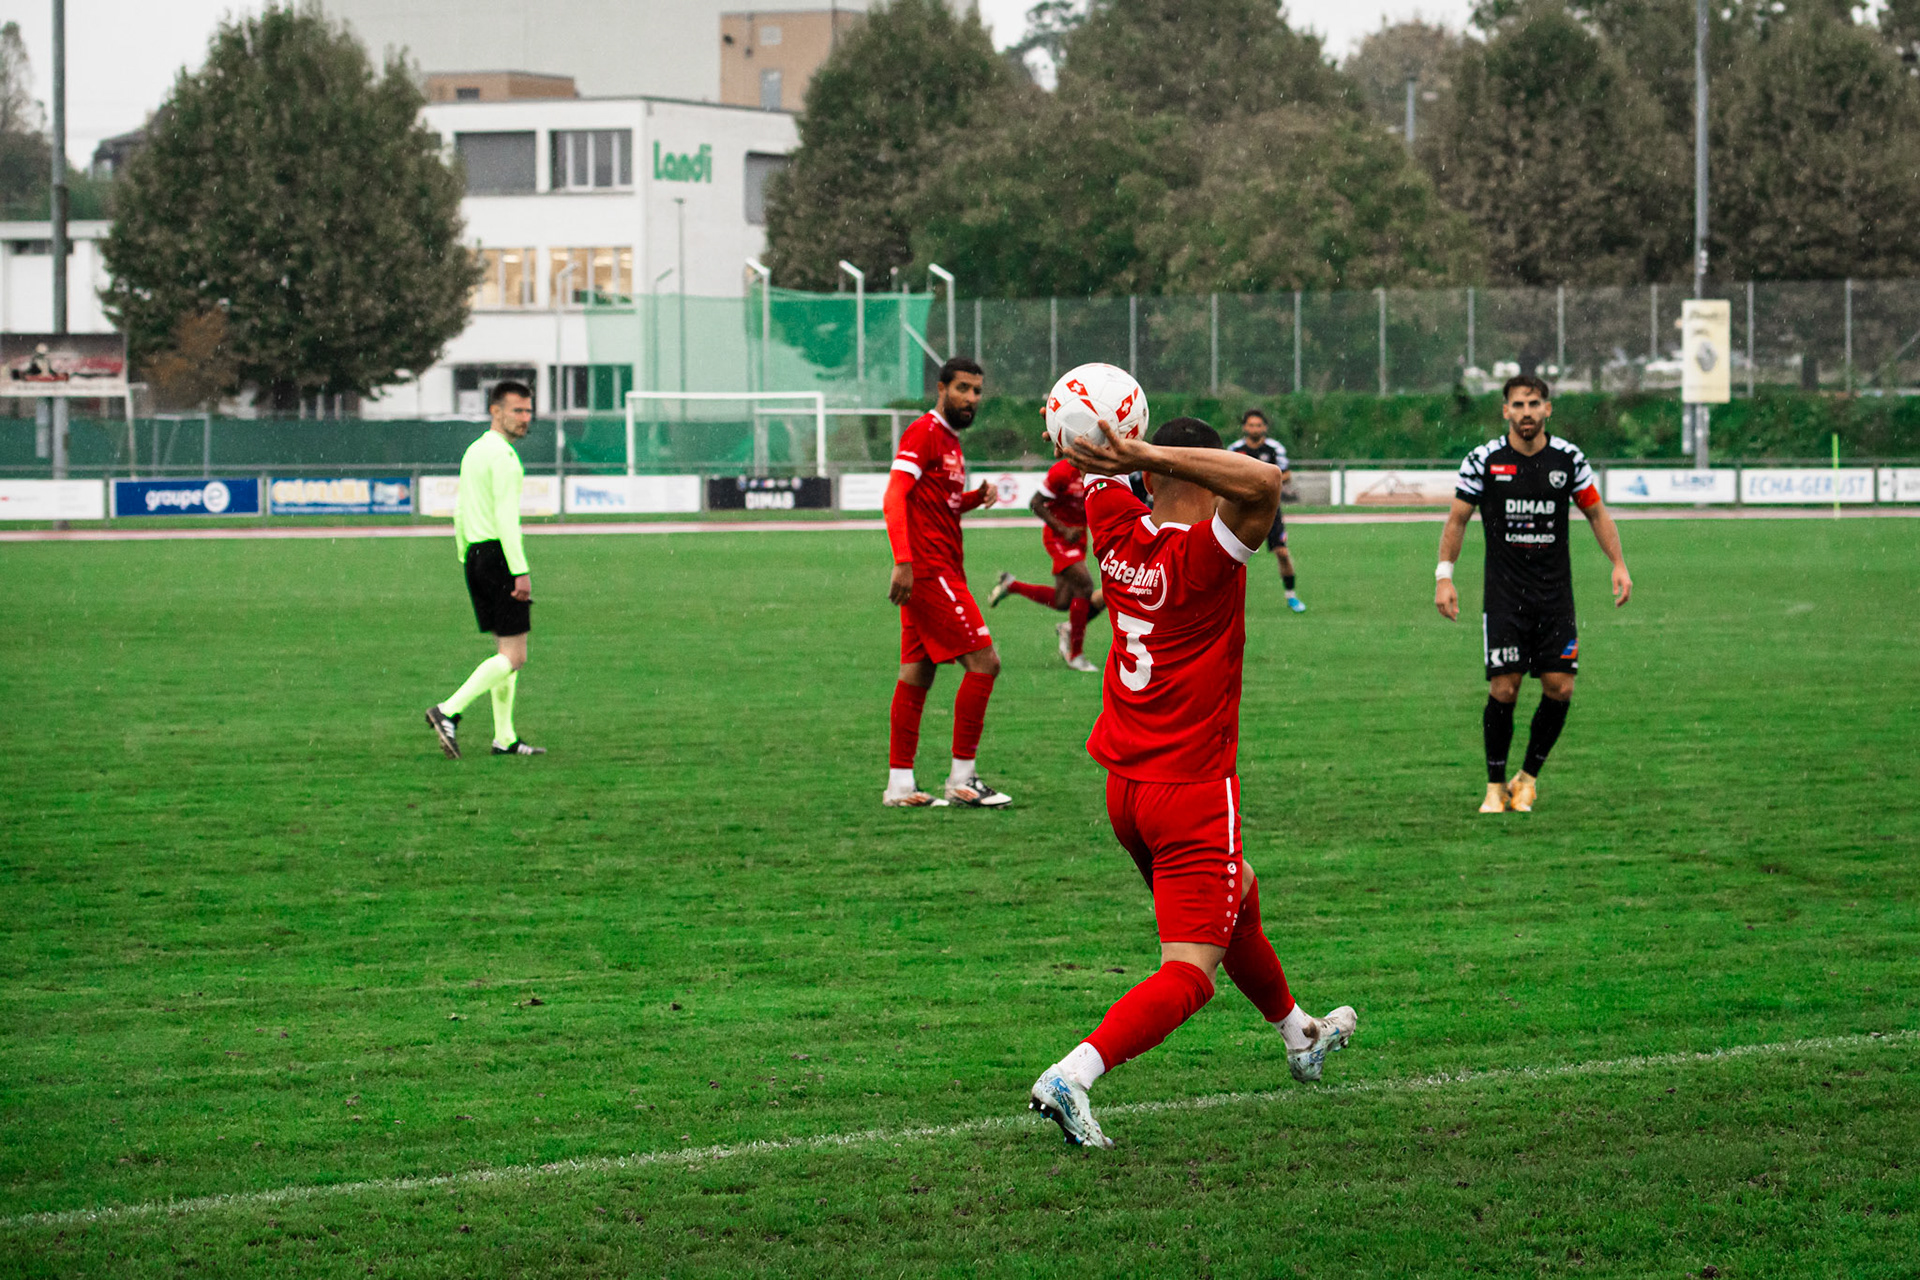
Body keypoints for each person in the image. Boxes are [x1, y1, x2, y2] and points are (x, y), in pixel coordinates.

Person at [1026, 417, 1358, 1150]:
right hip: (1193, 789)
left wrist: (1110, 452)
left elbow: (1104, 473)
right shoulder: (1209, 556)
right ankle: (1072, 1074)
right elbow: (1265, 483)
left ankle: (1298, 1033)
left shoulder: (1113, 530)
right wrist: (1147, 448)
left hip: (1126, 790)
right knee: (1191, 971)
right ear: (1203, 476)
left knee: (1237, 891)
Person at [1435, 374, 1631, 814]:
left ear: (1548, 409)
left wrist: (1618, 564)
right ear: (1505, 410)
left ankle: (1527, 778)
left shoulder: (1569, 460)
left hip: (1555, 597)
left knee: (1560, 688)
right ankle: (1494, 784)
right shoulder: (1483, 460)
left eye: (1535, 403)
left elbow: (1596, 512)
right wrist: (1443, 576)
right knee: (1505, 689)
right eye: (1519, 404)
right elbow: (1457, 519)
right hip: (1505, 597)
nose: (1527, 412)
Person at [881, 357, 1013, 809]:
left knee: (918, 672)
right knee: (985, 662)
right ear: (941, 388)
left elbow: (939, 505)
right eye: (962, 389)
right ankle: (963, 779)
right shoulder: (924, 432)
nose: (971, 398)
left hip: (939, 570)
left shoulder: (951, 443)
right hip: (930, 572)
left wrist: (975, 498)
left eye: (977, 391)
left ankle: (900, 785)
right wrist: (903, 561)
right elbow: (895, 493)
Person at [425, 380, 546, 759]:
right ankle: (447, 711)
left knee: (503, 651)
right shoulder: (505, 458)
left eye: (528, 410)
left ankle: (504, 738)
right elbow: (507, 518)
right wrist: (520, 570)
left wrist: (466, 554)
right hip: (499, 556)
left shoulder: (474, 451)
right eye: (517, 411)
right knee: (515, 656)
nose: (525, 418)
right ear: (496, 411)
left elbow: (460, 510)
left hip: (477, 555)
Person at [986, 455, 1106, 672]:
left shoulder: (1097, 467)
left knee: (1063, 601)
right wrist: (1063, 529)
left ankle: (1012, 585)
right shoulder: (1062, 472)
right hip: (1058, 537)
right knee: (1086, 586)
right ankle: (1075, 654)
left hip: (1079, 537)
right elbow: (1035, 503)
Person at [1226, 408, 1305, 612]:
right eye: (1251, 425)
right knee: (1230, 556)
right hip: (1241, 509)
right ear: (1244, 427)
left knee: (1282, 552)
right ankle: (1225, 600)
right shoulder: (1235, 449)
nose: (1255, 428)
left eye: (1258, 425)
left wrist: (1264, 482)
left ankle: (1291, 597)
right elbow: (1225, 473)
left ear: (1265, 427)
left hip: (1269, 510)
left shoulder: (1274, 449)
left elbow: (1286, 475)